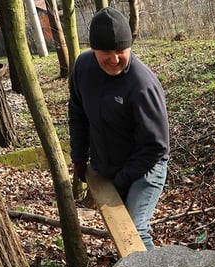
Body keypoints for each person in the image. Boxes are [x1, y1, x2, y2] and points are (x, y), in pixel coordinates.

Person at [69, 7, 169, 250]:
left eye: (121, 51)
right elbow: (78, 112)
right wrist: (79, 157)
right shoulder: (83, 68)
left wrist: (120, 181)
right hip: (110, 163)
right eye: (106, 52)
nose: (114, 59)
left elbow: (156, 146)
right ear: (93, 50)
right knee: (119, 229)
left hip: (146, 166)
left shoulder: (142, 85)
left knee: (133, 231)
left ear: (129, 47)